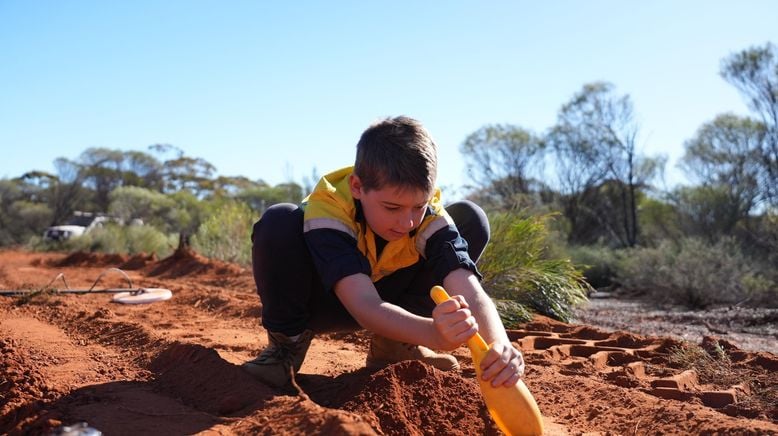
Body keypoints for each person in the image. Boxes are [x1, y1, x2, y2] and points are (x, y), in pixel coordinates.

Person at [243, 116, 524, 390]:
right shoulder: (330, 207)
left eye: (419, 206)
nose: (408, 222)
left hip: (389, 301)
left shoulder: (428, 216)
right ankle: (285, 349)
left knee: (470, 218)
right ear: (357, 187)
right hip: (330, 302)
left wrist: (500, 342)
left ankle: (394, 348)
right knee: (279, 220)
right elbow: (365, 305)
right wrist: (434, 334)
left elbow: (467, 286)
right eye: (392, 208)